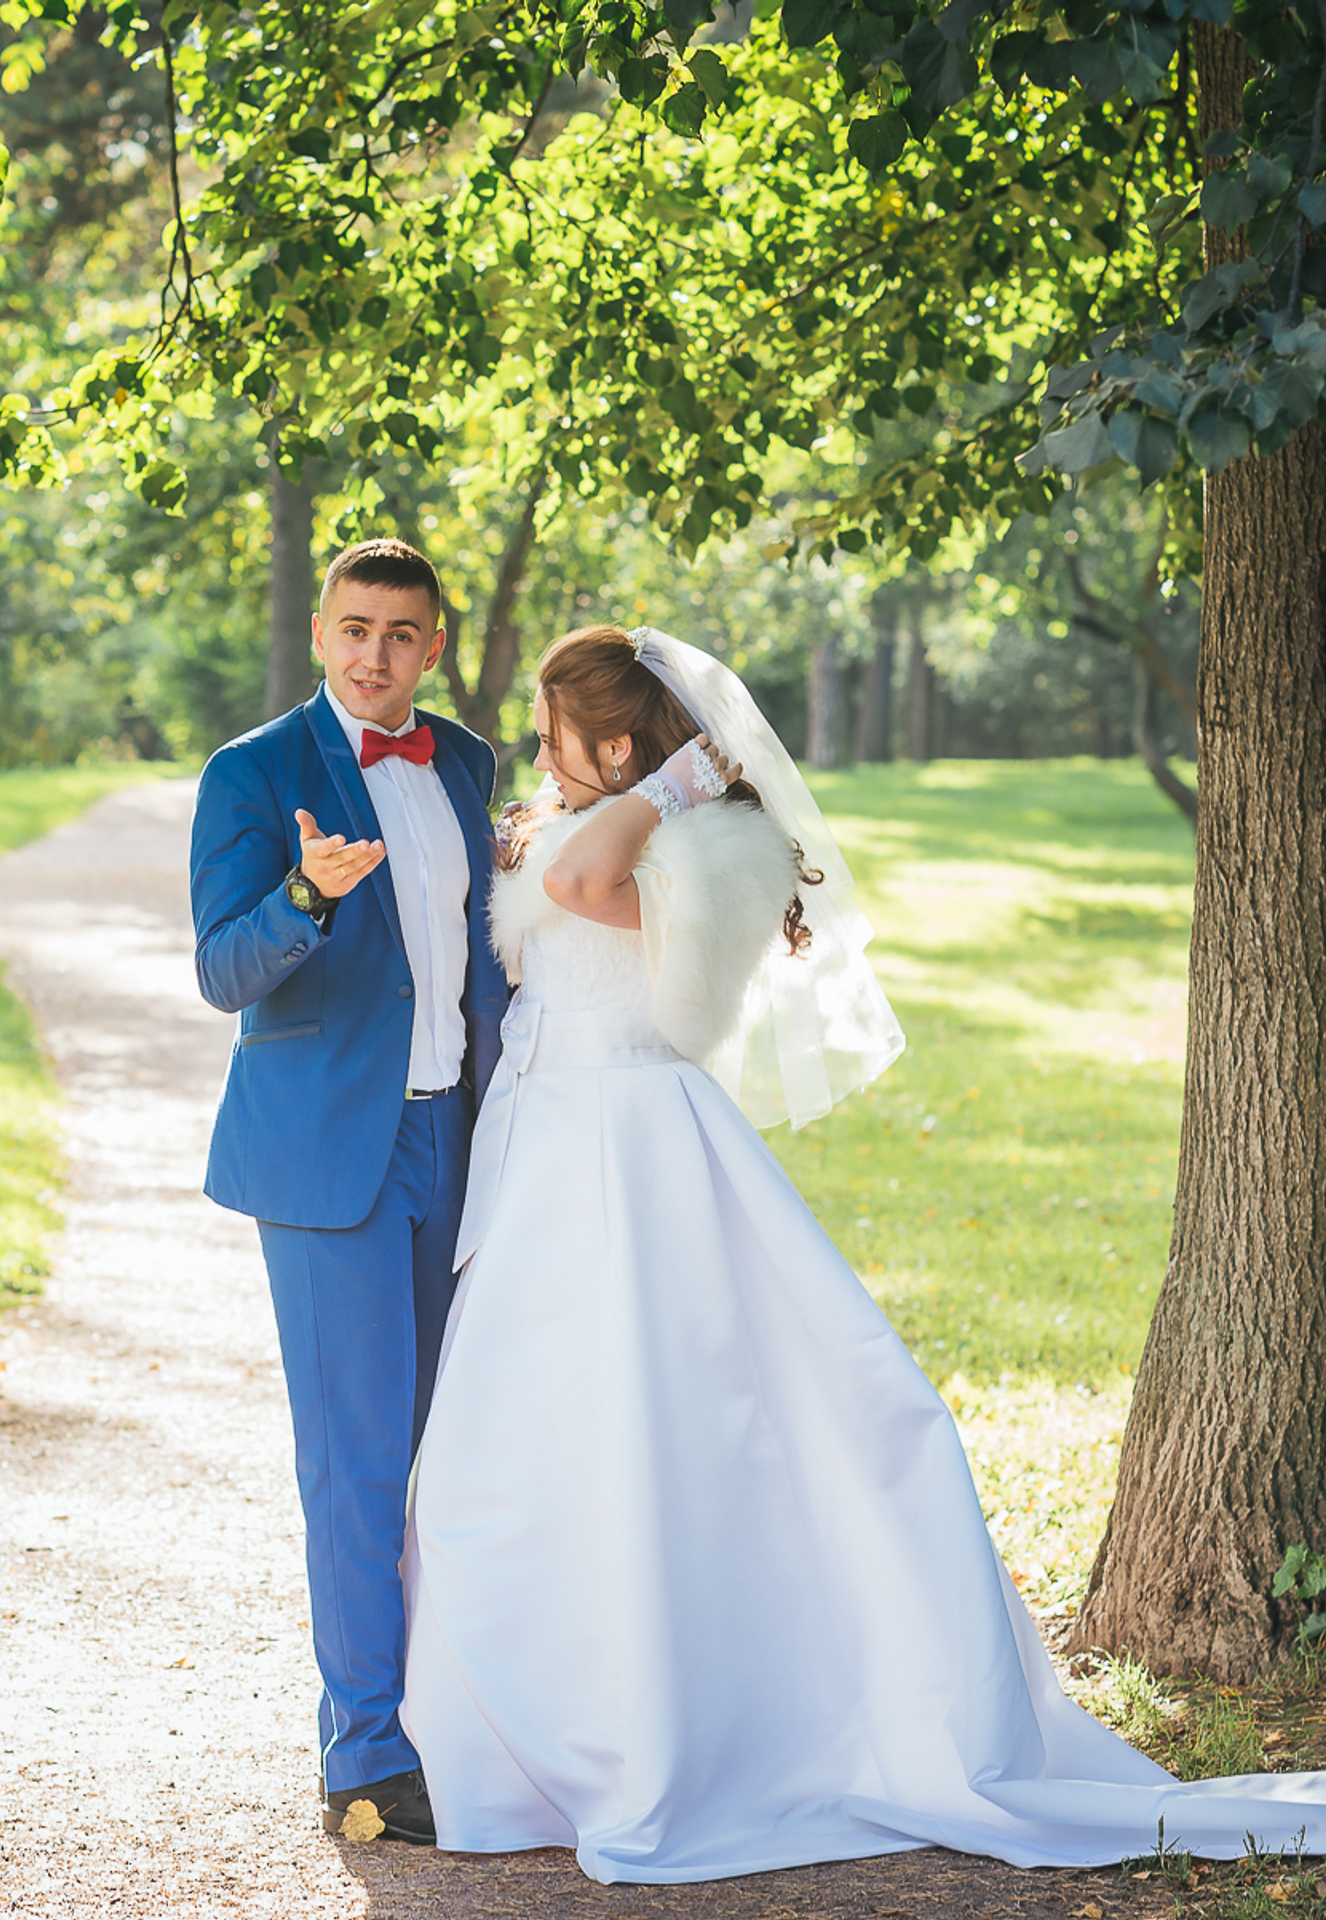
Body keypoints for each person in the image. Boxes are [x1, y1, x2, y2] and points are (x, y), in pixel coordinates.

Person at [398, 623, 1326, 1884]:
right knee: (509, 1457)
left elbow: (577, 898)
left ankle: (672, 1731)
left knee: (649, 1435)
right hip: (548, 1149)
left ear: (620, 744)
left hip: (629, 1154)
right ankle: (534, 1746)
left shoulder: (705, 842)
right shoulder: (590, 819)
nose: (540, 750)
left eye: (564, 732)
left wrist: (671, 786)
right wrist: (609, 793)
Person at [189, 538, 511, 1843]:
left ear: (434, 645)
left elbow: (491, 948)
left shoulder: (473, 765)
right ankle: (366, 1751)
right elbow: (223, 968)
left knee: (455, 1452)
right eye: (355, 630)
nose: (376, 656)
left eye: (402, 635)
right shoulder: (254, 773)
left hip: (467, 1147)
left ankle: (449, 1710)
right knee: (359, 1460)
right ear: (322, 633)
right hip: (333, 1158)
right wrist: (305, 901)